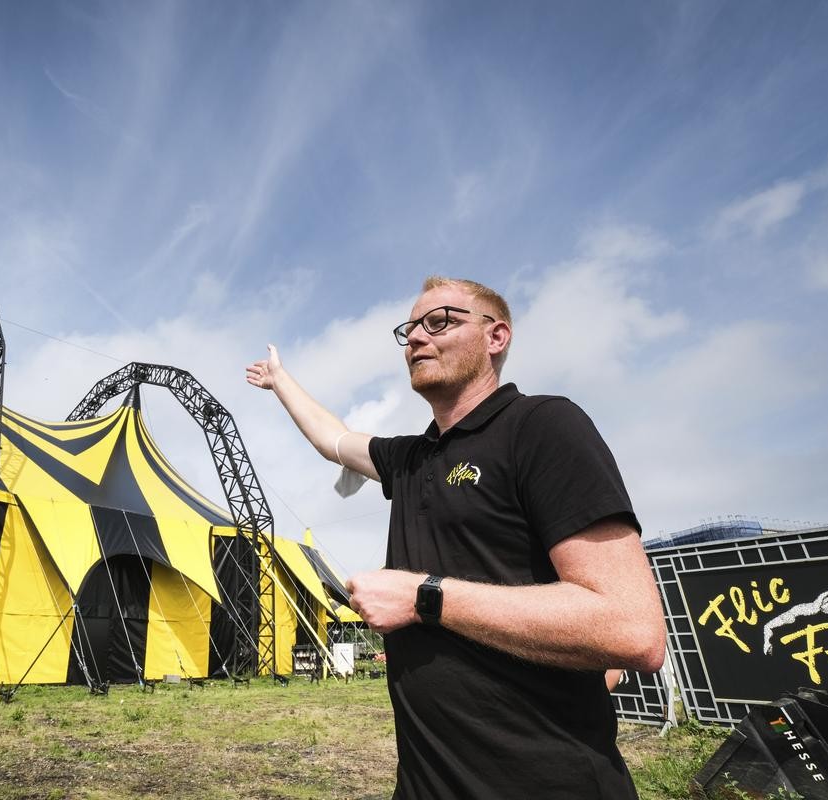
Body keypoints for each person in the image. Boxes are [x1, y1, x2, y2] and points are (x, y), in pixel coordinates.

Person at [246, 276, 666, 799]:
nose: (418, 337)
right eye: (411, 328)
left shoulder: (542, 426)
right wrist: (281, 380)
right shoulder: (411, 458)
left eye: (440, 321)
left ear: (497, 337)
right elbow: (332, 440)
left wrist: (426, 596)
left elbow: (633, 632)